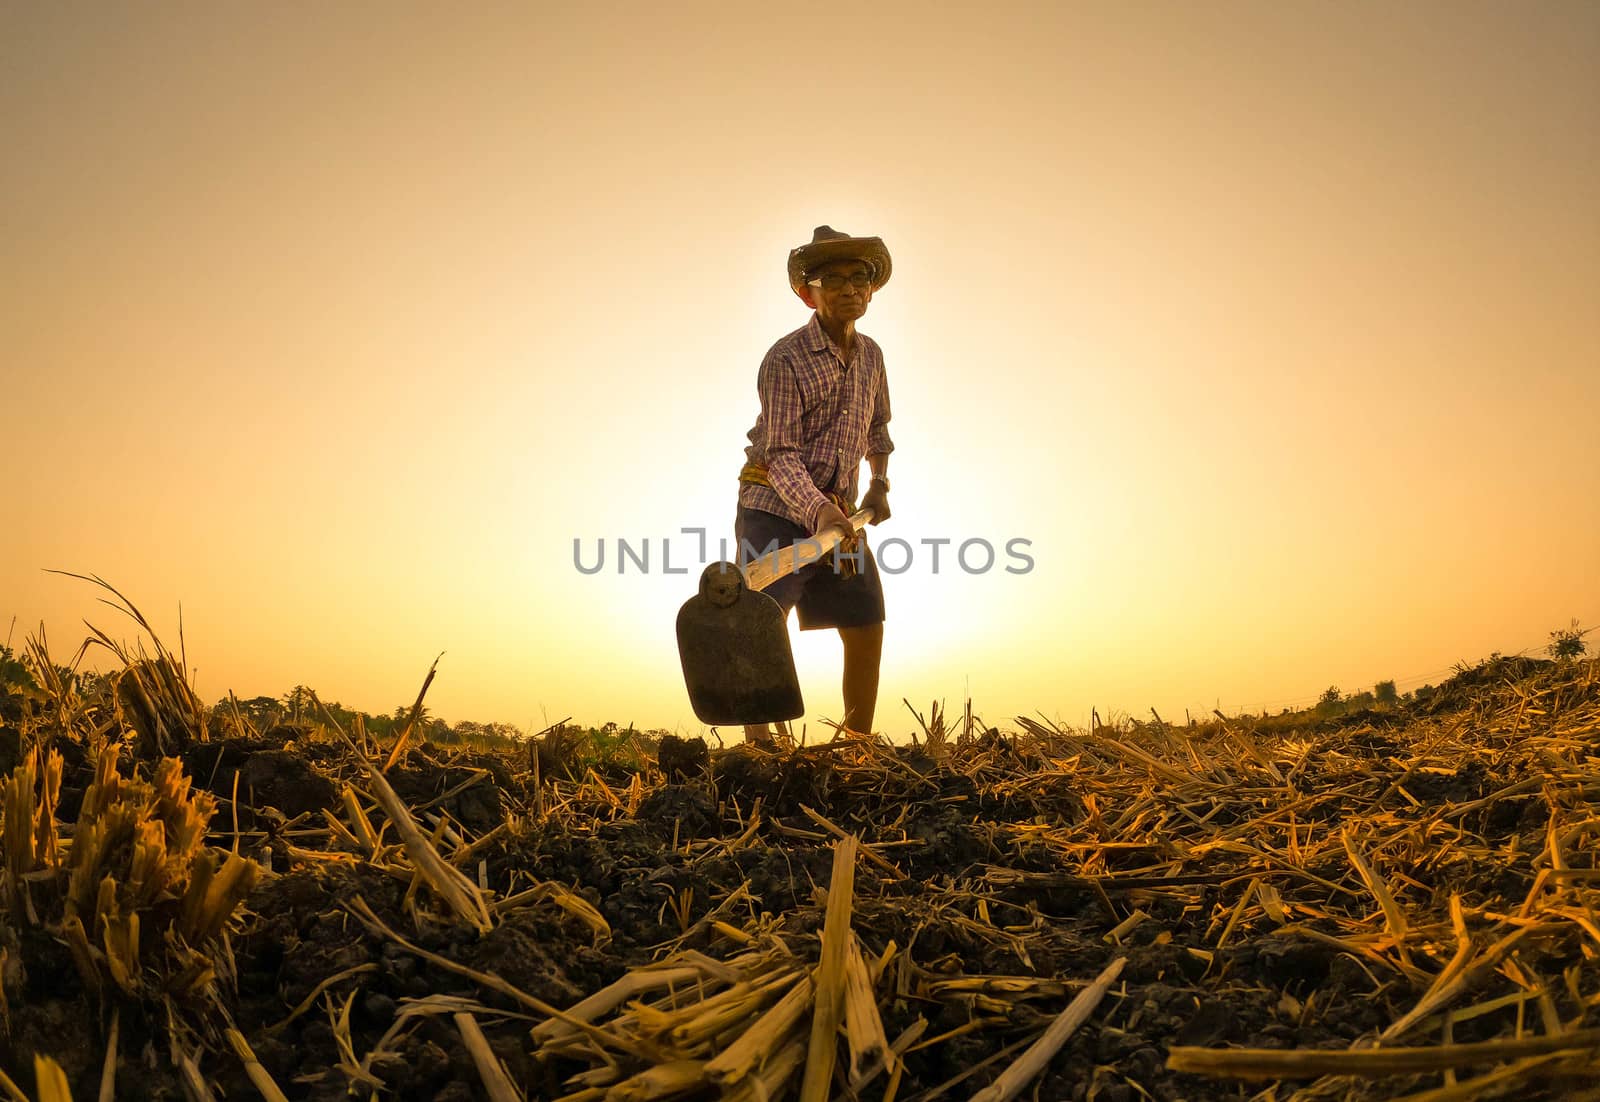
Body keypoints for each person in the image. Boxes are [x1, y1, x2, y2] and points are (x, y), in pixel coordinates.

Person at [735, 226, 895, 743]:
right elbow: (780, 452)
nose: (850, 289)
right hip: (775, 503)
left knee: (866, 619)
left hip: (841, 514)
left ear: (871, 290)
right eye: (834, 280)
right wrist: (817, 512)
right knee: (761, 616)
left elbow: (877, 427)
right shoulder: (785, 359)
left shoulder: (871, 356)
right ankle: (759, 746)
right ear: (810, 293)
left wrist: (879, 484)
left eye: (860, 278)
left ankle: (857, 744)